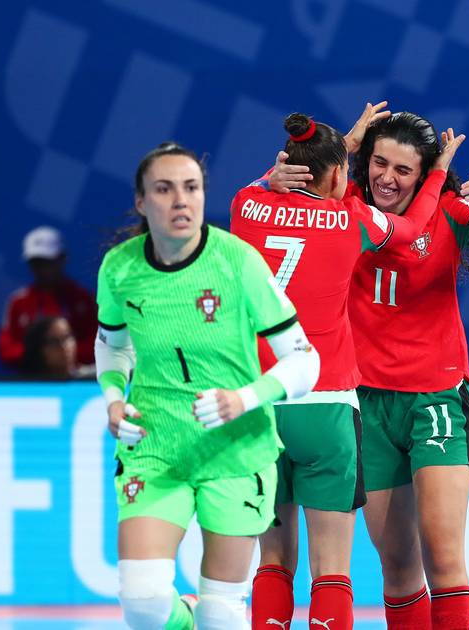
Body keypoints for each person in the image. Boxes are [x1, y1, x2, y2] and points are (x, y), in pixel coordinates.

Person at [269, 108, 469, 629]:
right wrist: (299, 165)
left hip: (436, 400)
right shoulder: (343, 205)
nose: (387, 177)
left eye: (403, 170)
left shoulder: (447, 210)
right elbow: (286, 192)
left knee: (444, 558)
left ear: (424, 173)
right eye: (379, 163)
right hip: (365, 403)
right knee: (399, 567)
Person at [233, 106, 463, 630]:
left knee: (272, 561)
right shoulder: (351, 220)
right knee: (331, 570)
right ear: (341, 173)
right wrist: (436, 174)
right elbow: (414, 225)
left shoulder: (247, 205)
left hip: (263, 402)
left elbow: (261, 185)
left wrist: (289, 168)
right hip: (327, 406)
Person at [95, 142, 320, 630]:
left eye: (191, 187)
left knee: (221, 613)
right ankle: (186, 618)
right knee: (143, 603)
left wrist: (244, 398)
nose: (181, 200)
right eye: (164, 189)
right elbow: (112, 347)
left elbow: (305, 360)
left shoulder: (239, 262)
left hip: (236, 451)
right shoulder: (119, 269)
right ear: (141, 202)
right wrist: (113, 399)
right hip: (155, 447)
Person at [0, 226, 96, 369]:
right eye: (36, 263)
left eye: (48, 262)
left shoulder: (84, 299)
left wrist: (64, 355)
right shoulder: (18, 302)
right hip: (32, 378)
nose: (42, 269)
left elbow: (99, 343)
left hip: (76, 376)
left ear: (62, 258)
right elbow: (6, 349)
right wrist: (39, 355)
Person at [18, 315, 91, 378]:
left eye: (67, 337)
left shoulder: (92, 378)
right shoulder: (25, 386)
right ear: (39, 350)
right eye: (54, 341)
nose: (64, 346)